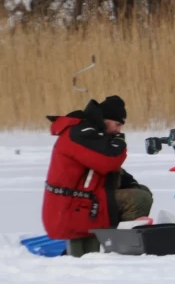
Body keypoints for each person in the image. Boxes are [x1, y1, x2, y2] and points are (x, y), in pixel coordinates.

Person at [42, 95, 153, 257]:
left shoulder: (88, 132)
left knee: (141, 190)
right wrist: (120, 142)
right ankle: (121, 251)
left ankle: (114, 243)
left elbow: (103, 168)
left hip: (83, 203)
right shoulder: (79, 132)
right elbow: (108, 161)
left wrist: (129, 182)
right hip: (71, 208)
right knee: (139, 199)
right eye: (117, 124)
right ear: (105, 119)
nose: (118, 130)